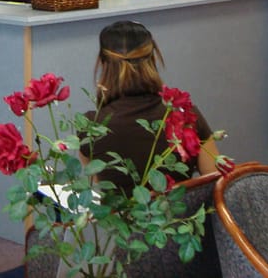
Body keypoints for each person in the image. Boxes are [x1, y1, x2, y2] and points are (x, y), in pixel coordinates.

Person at [82, 20, 222, 193]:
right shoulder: (186, 117)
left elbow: (99, 190)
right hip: (180, 210)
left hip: (120, 212)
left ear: (103, 64)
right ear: (153, 59)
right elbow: (216, 185)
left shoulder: (91, 128)